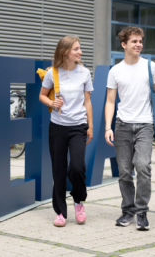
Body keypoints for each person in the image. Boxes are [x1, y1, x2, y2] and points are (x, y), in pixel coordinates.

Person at [105, 26, 155, 231]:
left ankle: (142, 211)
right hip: (122, 125)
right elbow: (110, 101)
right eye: (134, 41)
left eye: (140, 41)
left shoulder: (151, 67)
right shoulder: (115, 70)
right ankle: (128, 210)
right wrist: (108, 127)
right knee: (124, 172)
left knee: (142, 166)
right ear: (124, 44)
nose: (139, 44)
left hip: (145, 124)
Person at [39, 36, 94, 227]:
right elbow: (42, 96)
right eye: (76, 49)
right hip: (57, 127)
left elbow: (87, 101)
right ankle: (60, 213)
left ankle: (79, 201)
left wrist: (90, 126)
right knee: (59, 170)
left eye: (79, 48)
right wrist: (51, 103)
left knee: (77, 167)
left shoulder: (85, 73)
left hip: (79, 126)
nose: (80, 52)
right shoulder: (52, 73)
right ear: (65, 52)